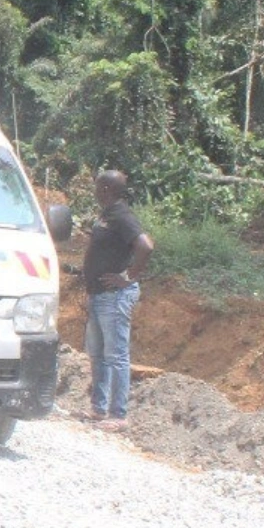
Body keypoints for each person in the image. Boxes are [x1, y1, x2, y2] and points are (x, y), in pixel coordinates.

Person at [80, 169, 153, 429]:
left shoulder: (122, 216)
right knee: (97, 353)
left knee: (116, 355)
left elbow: (146, 246)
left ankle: (118, 415)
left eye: (98, 187)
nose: (95, 191)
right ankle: (99, 408)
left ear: (107, 190)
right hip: (99, 296)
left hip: (114, 297)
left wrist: (129, 277)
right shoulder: (107, 215)